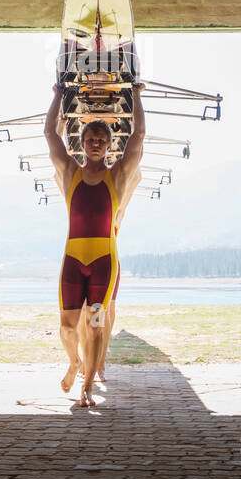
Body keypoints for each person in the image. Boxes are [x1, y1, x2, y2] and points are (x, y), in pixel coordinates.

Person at [46, 82, 144, 406]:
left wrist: (138, 97)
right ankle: (74, 361)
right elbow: (50, 135)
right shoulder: (70, 171)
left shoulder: (116, 177)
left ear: (108, 145)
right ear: (83, 144)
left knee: (97, 325)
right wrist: (58, 95)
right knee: (67, 326)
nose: (97, 144)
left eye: (102, 140)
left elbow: (138, 139)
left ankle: (87, 385)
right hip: (73, 259)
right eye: (91, 140)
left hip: (104, 260)